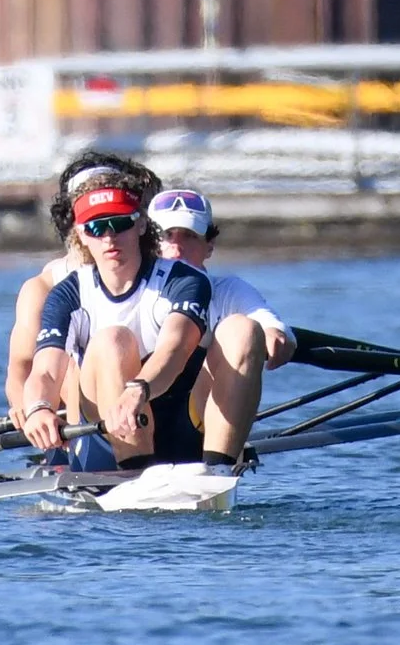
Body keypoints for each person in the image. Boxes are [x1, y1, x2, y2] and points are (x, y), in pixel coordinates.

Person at [20, 176, 247, 473]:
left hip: (180, 416)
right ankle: (135, 470)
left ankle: (219, 468)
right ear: (82, 235)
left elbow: (175, 351)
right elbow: (46, 371)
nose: (109, 238)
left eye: (120, 224)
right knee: (113, 340)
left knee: (243, 330)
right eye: (97, 228)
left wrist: (138, 390)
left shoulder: (183, 280)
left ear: (141, 225)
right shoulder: (68, 294)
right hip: (103, 434)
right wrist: (38, 409)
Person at [4, 152, 163, 471]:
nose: (108, 231)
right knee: (103, 348)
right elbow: (22, 370)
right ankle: (102, 462)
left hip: (155, 403)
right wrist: (33, 409)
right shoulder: (45, 287)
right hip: (82, 424)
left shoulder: (163, 274)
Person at [143, 188, 286, 467]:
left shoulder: (227, 291)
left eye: (189, 236)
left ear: (209, 246)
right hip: (125, 422)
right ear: (148, 242)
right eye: (166, 235)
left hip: (195, 425)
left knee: (241, 329)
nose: (176, 247)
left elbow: (274, 332)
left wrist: (269, 337)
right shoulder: (127, 289)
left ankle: (217, 468)